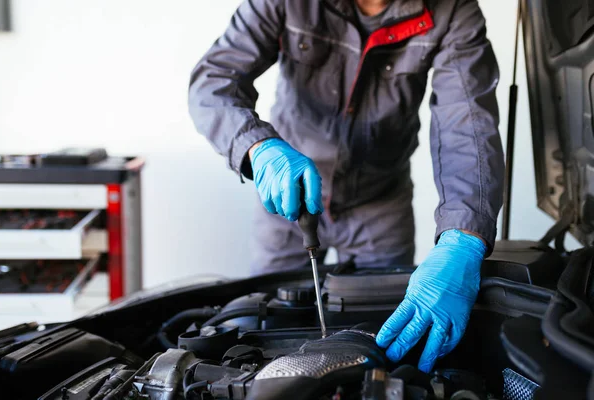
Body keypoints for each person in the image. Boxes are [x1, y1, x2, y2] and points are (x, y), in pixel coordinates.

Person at [189, 0, 504, 373]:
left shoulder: (453, 9)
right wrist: (257, 148)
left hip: (380, 205)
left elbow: (465, 124)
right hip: (288, 196)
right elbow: (214, 81)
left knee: (389, 341)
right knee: (267, 329)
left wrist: (463, 237)